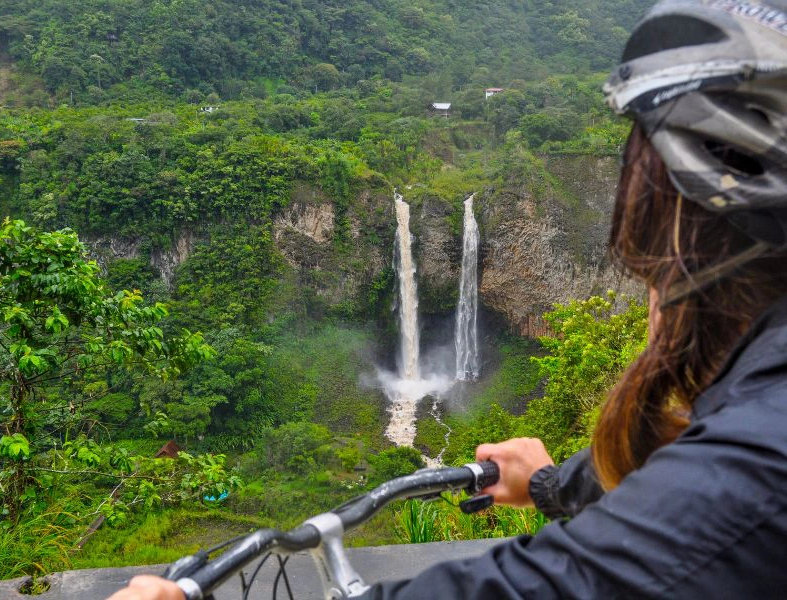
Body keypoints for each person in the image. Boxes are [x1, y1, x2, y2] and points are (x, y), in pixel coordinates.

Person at [109, 0, 787, 597]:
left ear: (677, 220)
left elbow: (571, 576)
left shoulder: (755, 469)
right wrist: (555, 483)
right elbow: (685, 487)